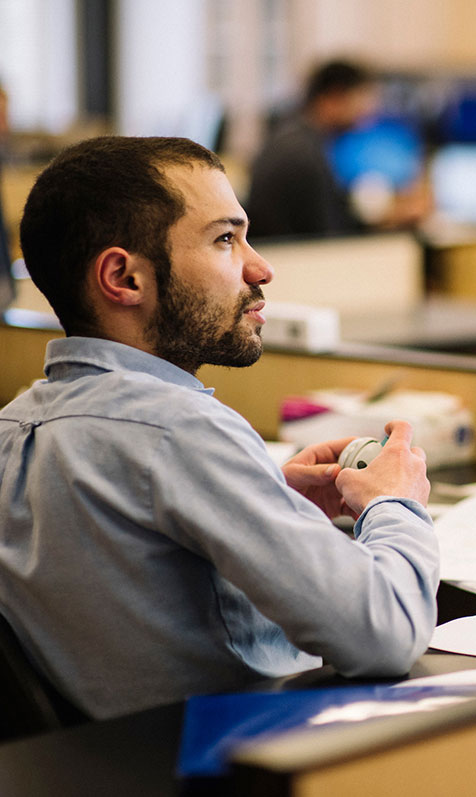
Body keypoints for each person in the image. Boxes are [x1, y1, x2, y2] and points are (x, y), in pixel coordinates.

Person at [0, 136, 439, 720]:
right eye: (225, 239)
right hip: (247, 756)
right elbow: (385, 632)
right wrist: (394, 505)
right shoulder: (177, 430)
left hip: (116, 761)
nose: (261, 267)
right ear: (124, 278)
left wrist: (263, 495)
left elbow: (126, 562)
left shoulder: (15, 427)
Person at [245, 60, 380, 239]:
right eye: (364, 97)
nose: (369, 109)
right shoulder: (303, 153)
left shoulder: (297, 138)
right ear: (335, 96)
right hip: (302, 259)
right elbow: (328, 235)